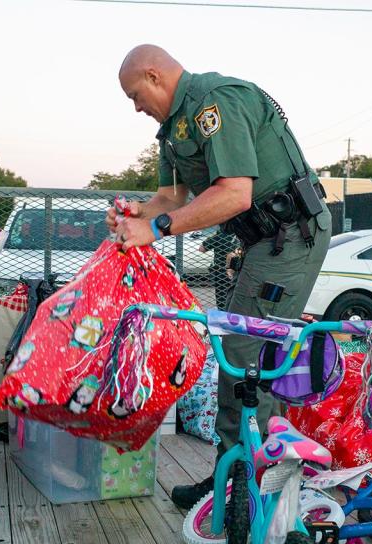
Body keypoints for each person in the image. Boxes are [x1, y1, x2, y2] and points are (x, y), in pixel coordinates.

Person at [107, 45, 332, 509]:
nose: (135, 107)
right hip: (263, 240)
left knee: (246, 357)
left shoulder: (215, 100)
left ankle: (243, 485)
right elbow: (171, 196)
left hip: (290, 234)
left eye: (135, 94)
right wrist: (138, 213)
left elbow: (234, 195)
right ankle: (243, 475)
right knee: (250, 355)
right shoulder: (172, 130)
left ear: (154, 75)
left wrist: (153, 229)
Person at [199, 232, 240, 310]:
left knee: (222, 300)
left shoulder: (221, 234)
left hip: (222, 272)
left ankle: (224, 314)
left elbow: (201, 249)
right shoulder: (244, 233)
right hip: (240, 271)